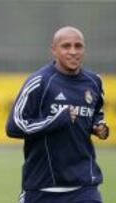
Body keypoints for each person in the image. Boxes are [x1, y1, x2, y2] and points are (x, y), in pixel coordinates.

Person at [6, 26, 109, 203]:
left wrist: (98, 126)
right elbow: (14, 126)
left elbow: (95, 112)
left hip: (84, 187)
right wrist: (56, 120)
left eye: (78, 46)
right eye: (66, 46)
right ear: (53, 50)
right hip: (43, 187)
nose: (73, 52)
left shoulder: (94, 81)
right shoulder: (39, 82)